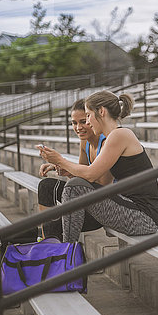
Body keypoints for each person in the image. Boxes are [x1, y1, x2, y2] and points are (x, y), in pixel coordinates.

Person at [38, 90, 158, 242]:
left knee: (74, 186)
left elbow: (91, 175)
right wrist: (65, 167)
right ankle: (62, 252)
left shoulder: (120, 135)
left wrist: (60, 160)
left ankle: (68, 253)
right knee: (56, 218)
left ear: (101, 112)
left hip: (143, 218)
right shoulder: (114, 136)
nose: (87, 122)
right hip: (128, 208)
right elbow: (89, 177)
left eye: (88, 115)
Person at [37, 98, 109, 240]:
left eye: (83, 121)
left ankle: (50, 248)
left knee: (53, 226)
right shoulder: (85, 142)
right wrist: (63, 169)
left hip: (104, 207)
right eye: (74, 123)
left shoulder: (106, 142)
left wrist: (62, 162)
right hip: (87, 198)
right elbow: (79, 179)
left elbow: (101, 185)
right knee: (45, 186)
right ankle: (47, 244)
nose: (78, 127)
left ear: (91, 118)